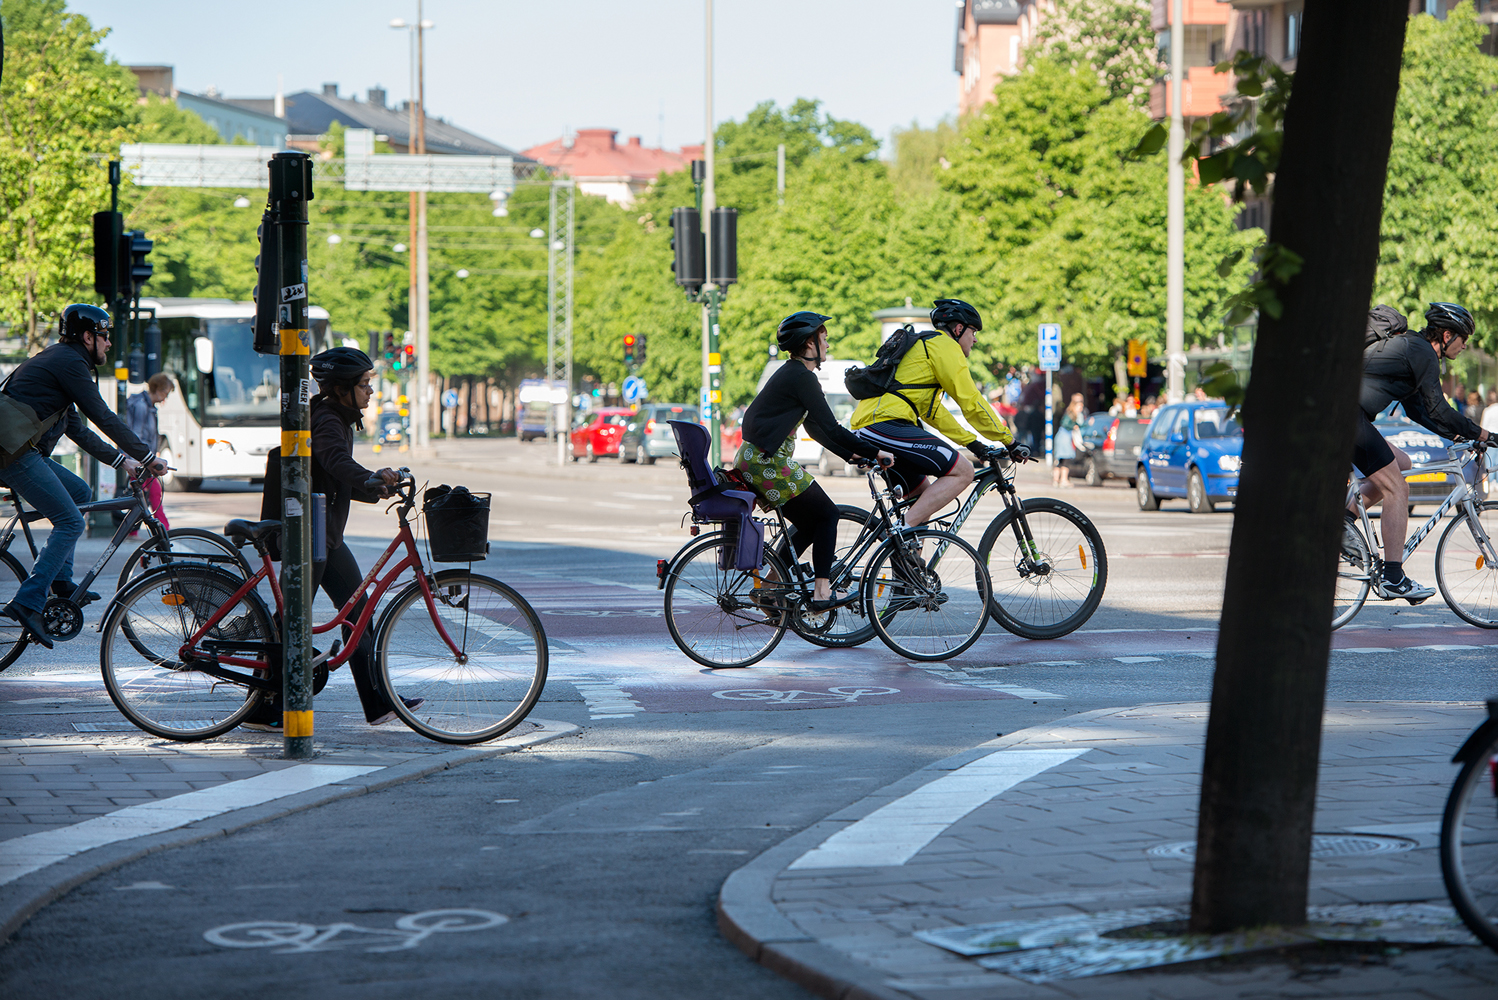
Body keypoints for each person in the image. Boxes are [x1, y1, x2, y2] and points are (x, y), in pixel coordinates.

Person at [242, 347, 413, 732]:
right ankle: (260, 707)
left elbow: (330, 474)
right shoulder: (328, 419)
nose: (370, 391)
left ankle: (378, 702)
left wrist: (374, 486)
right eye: (364, 384)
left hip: (324, 535)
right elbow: (335, 460)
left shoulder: (335, 415)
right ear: (341, 388)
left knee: (357, 613)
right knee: (291, 619)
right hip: (311, 535)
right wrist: (369, 477)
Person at [0, 305, 166, 646]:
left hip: (22, 450)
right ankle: (28, 602)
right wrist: (148, 456)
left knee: (79, 492)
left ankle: (61, 583)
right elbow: (102, 415)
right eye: (105, 337)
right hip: (12, 453)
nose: (108, 344)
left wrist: (124, 461)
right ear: (88, 337)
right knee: (71, 521)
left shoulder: (61, 362)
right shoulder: (69, 363)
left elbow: (78, 430)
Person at [736, 312, 892, 610]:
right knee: (828, 515)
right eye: (824, 339)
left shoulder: (793, 374)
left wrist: (851, 455)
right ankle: (822, 592)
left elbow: (815, 429)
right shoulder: (802, 377)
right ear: (809, 343)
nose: (828, 345)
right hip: (766, 463)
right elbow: (832, 427)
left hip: (757, 459)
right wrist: (876, 452)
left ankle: (769, 588)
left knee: (810, 523)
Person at [850, 299, 1024, 529]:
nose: (975, 339)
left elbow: (933, 412)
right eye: (973, 332)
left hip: (876, 426)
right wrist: (1009, 441)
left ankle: (907, 551)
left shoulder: (927, 345)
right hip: (883, 425)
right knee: (964, 472)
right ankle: (900, 531)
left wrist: (973, 443)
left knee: (922, 499)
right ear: (958, 329)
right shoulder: (945, 346)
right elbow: (971, 402)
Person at [1356, 302, 1489, 602]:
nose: (1464, 346)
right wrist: (1482, 433)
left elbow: (1421, 412)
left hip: (1349, 416)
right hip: (1346, 418)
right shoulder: (1422, 353)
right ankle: (1393, 577)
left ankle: (1343, 525)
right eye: (1463, 339)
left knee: (1402, 463)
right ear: (1446, 336)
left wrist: (1459, 435)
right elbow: (1439, 408)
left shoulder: (1413, 350)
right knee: (1397, 489)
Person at [126, 373, 174, 535]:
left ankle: (138, 531)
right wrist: (142, 460)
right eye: (165, 393)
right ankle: (164, 530)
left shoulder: (149, 406)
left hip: (144, 460)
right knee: (151, 494)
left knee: (149, 495)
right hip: (141, 461)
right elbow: (136, 436)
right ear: (157, 389)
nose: (166, 397)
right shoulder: (142, 406)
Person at [1053, 393, 1085, 488]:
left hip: (1063, 437)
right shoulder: (1071, 414)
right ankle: (1063, 480)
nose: (1081, 409)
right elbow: (1065, 424)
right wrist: (1073, 426)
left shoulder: (1070, 413)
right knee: (1066, 459)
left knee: (1060, 460)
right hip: (1065, 438)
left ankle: (1056, 480)